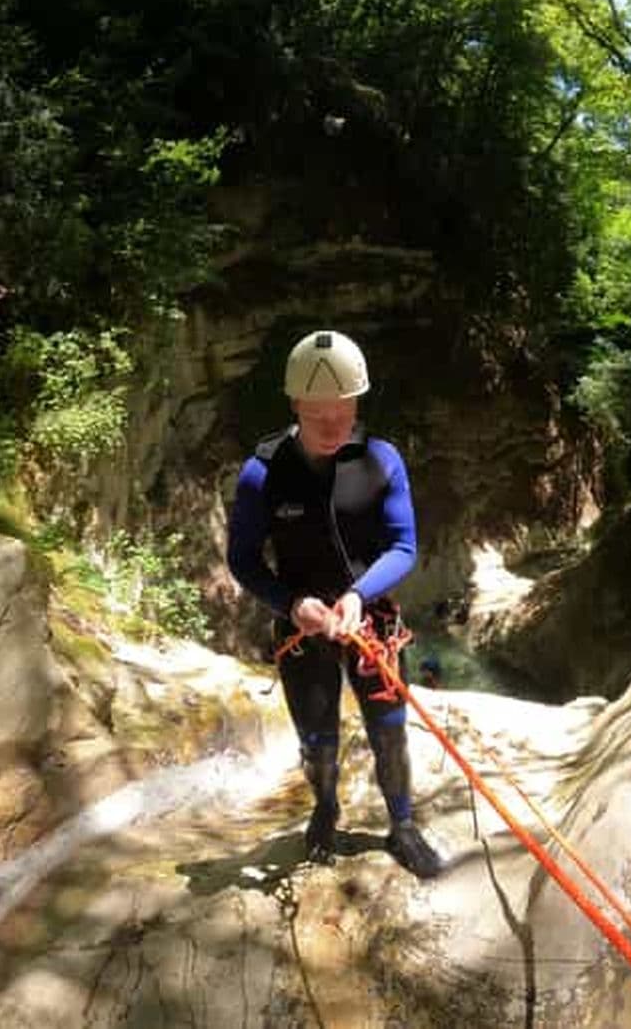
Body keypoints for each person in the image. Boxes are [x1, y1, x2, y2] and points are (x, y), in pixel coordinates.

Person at [227, 329, 442, 879]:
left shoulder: (380, 461)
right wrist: (289, 602)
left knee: (389, 731)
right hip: (302, 624)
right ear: (295, 404)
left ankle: (403, 825)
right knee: (317, 738)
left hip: (369, 618)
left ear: (357, 402)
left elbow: (403, 545)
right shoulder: (262, 475)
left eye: (343, 411)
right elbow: (244, 560)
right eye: (317, 412)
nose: (331, 424)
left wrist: (357, 595)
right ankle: (325, 808)